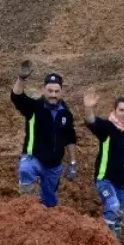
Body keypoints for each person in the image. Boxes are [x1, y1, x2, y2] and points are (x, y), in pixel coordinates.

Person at [10, 61, 78, 207]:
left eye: (56, 91)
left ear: (61, 92)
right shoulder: (34, 107)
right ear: (44, 90)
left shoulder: (65, 113)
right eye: (50, 91)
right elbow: (17, 97)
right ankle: (27, 204)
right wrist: (21, 79)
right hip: (34, 158)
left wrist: (72, 162)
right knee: (26, 169)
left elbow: (70, 137)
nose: (53, 95)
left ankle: (45, 213)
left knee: (50, 202)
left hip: (54, 165)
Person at [83, 88, 124, 240]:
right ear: (115, 110)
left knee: (119, 216)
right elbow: (91, 121)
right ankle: (105, 241)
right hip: (105, 180)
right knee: (113, 207)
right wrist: (88, 107)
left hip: (122, 185)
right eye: (121, 110)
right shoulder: (107, 128)